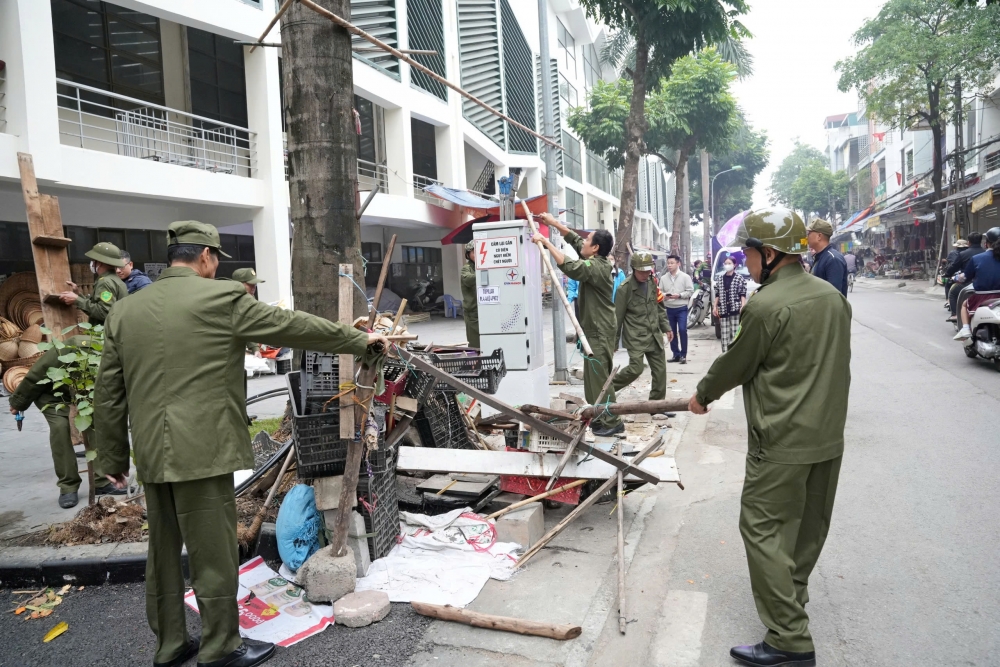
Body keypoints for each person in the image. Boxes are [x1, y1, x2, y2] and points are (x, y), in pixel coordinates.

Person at [94, 220, 389, 667]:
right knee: (213, 555)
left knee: (163, 553)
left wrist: (113, 458)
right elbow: (292, 327)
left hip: (154, 452)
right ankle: (219, 649)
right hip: (204, 452)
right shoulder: (221, 298)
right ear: (207, 258)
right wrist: (359, 340)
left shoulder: (126, 310)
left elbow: (108, 393)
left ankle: (171, 645)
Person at [688, 207, 851, 667]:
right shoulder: (832, 298)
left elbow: (737, 362)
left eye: (749, 252)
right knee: (805, 531)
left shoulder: (765, 304)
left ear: (771, 253)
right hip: (827, 439)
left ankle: (790, 640)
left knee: (761, 528)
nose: (746, 261)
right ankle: (790, 603)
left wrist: (702, 395)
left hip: (780, 440)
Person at [531, 213, 624, 436]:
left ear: (596, 248)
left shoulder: (598, 267)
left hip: (600, 330)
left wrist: (546, 243)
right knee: (593, 380)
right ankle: (601, 417)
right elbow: (574, 239)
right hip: (594, 329)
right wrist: (553, 223)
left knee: (600, 378)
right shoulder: (595, 258)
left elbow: (571, 267)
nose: (583, 242)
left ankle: (613, 422)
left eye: (588, 240)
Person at [7, 335, 122, 508]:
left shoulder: (121, 359)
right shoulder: (76, 346)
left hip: (84, 393)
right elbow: (37, 374)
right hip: (50, 392)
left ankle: (102, 482)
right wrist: (18, 402)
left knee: (96, 426)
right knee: (60, 429)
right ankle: (68, 486)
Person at [612, 252, 672, 400]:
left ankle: (656, 405)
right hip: (636, 336)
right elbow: (617, 318)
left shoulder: (652, 282)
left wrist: (666, 327)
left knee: (660, 370)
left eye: (648, 270)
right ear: (633, 269)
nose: (645, 274)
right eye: (642, 271)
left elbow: (659, 307)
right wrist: (613, 343)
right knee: (635, 369)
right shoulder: (624, 289)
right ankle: (608, 389)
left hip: (654, 334)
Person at [57, 242, 129, 324]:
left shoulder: (105, 282)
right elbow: (98, 304)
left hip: (104, 334)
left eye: (93, 260)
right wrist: (78, 295)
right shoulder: (115, 280)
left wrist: (77, 300)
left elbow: (104, 312)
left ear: (100, 262)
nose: (91, 263)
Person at [954, 227, 1000, 341]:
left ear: (986, 243)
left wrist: (956, 277)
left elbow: (965, 277)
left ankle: (965, 329)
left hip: (982, 297)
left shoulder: (977, 258)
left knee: (964, 304)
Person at [660, 255, 693, 364]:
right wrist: (666, 295)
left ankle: (683, 355)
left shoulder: (685, 277)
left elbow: (690, 291)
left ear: (678, 263)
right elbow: (659, 292)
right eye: (668, 263)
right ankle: (676, 354)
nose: (669, 265)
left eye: (672, 263)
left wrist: (679, 295)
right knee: (671, 331)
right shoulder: (664, 278)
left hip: (681, 307)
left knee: (683, 330)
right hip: (669, 308)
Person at [945, 232, 986, 320]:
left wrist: (947, 274)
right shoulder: (987, 253)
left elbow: (955, 267)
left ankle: (955, 314)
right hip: (986, 283)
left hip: (968, 282)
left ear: (969, 242)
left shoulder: (964, 255)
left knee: (952, 293)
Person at [713, 256, 748, 352]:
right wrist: (714, 307)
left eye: (729, 263)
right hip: (723, 310)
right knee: (724, 336)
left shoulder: (739, 278)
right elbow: (717, 293)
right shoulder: (720, 278)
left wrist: (742, 306)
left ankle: (736, 356)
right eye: (725, 263)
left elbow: (742, 293)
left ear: (734, 265)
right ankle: (725, 356)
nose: (727, 265)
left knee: (735, 335)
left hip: (735, 310)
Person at [806, 219, 848, 296]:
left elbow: (834, 294)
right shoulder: (819, 257)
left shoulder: (833, 259)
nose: (807, 237)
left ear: (819, 236)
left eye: (809, 233)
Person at [460, 241, 480, 348]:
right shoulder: (466, 268)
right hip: (473, 312)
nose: (477, 254)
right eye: (474, 252)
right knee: (475, 343)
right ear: (468, 254)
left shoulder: (482, 266)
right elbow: (468, 280)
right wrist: (483, 271)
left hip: (485, 310)